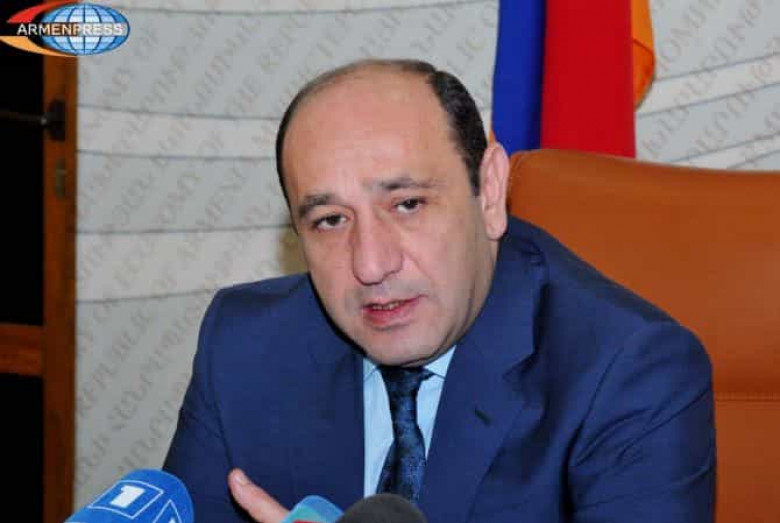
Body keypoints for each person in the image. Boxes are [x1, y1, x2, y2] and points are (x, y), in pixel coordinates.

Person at [164, 59, 715, 523]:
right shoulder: (244, 344)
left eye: (408, 204)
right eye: (330, 220)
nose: (371, 265)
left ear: (489, 191)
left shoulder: (628, 370)